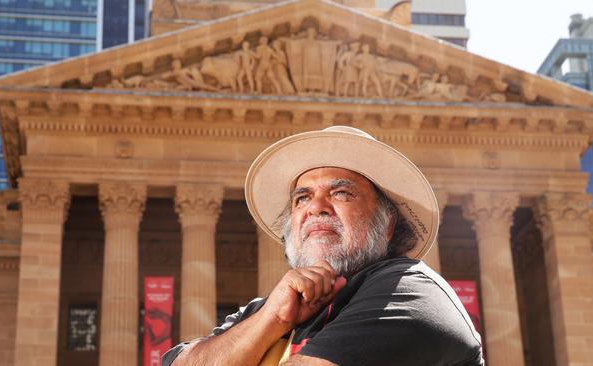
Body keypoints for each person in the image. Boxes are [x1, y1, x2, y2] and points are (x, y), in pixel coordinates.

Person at [163, 126, 485, 366]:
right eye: (302, 197)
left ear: (387, 225)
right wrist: (271, 319)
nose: (315, 207)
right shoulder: (271, 309)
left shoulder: (409, 292)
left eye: (341, 193)